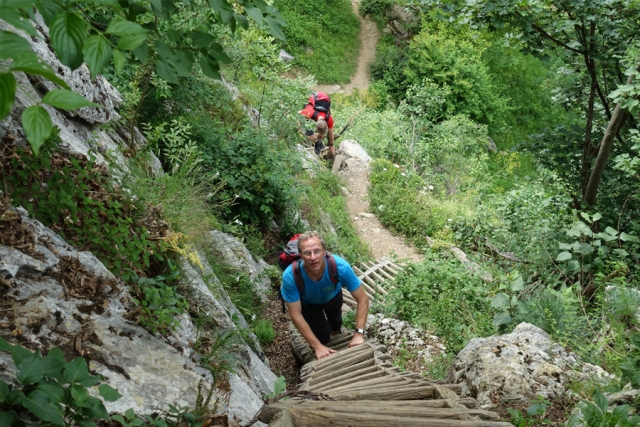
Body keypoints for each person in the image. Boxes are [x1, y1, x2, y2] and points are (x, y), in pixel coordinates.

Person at [280, 231, 369, 359]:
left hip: (332, 296)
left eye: (317, 251)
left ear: (324, 251)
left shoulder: (340, 267)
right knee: (322, 337)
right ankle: (323, 339)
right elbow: (295, 314)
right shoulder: (291, 276)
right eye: (307, 253)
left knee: (336, 322)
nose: (313, 257)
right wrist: (317, 346)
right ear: (300, 255)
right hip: (308, 304)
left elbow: (362, 299)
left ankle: (336, 330)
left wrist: (359, 334)